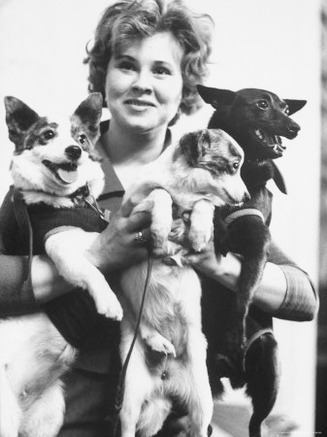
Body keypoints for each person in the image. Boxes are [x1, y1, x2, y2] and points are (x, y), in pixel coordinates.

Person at [0, 0, 318, 436]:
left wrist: (210, 259)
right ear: (103, 76)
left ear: (186, 87)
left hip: (171, 424)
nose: (142, 84)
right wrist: (101, 256)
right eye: (126, 65)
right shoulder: (54, 174)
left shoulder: (215, 173)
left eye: (162, 70)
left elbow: (303, 297)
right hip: (62, 422)